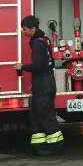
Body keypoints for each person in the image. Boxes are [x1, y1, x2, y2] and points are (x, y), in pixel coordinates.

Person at [18, 15, 64, 152]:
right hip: (45, 82)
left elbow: (37, 66)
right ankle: (40, 146)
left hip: (43, 85)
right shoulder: (44, 40)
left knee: (45, 115)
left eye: (25, 29)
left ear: (33, 29)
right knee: (36, 114)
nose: (23, 32)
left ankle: (56, 145)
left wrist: (22, 66)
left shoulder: (37, 44)